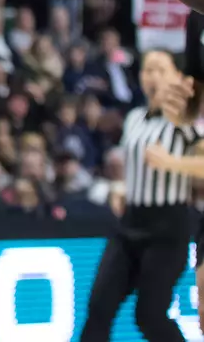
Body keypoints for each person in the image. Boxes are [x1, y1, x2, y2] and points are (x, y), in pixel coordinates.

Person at [75, 49, 196, 342]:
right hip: (130, 223)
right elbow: (133, 170)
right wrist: (121, 188)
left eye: (160, 70)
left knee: (149, 316)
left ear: (178, 78)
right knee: (99, 308)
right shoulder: (133, 118)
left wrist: (172, 163)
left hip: (168, 227)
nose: (152, 76)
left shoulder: (189, 123)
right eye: (147, 70)